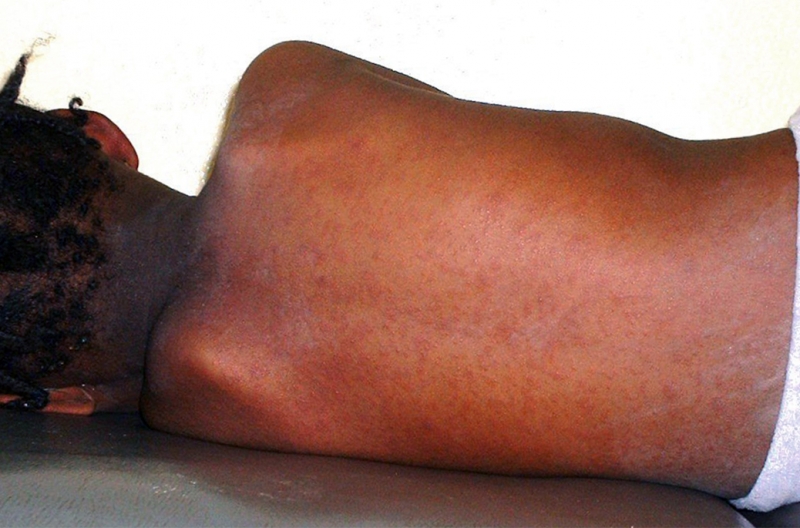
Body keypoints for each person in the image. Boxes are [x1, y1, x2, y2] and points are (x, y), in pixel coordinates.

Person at [0, 41, 798, 511]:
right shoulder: (288, 84)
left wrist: (81, 390)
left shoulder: (206, 400)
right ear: (95, 134)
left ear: (55, 396)